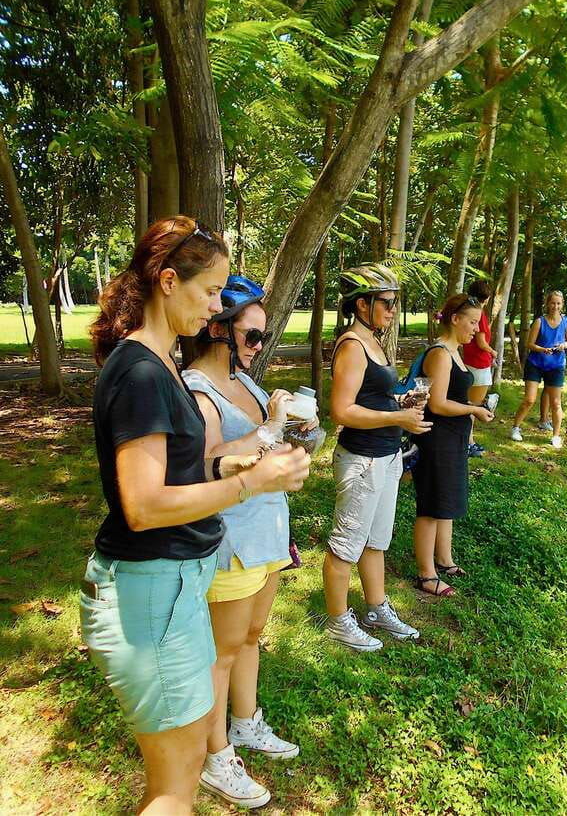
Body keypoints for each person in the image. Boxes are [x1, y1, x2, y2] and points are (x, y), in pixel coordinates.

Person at [82, 217, 310, 815]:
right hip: (149, 594)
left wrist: (231, 468)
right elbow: (143, 505)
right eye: (210, 292)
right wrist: (252, 484)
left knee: (174, 783)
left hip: (171, 584)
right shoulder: (140, 372)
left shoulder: (157, 366)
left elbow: (181, 473)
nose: (215, 308)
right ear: (165, 281)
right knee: (172, 791)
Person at [183, 276, 311, 808]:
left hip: (269, 531)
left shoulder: (247, 382)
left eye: (263, 338)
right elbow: (207, 460)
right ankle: (215, 757)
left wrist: (296, 431)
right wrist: (269, 429)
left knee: (252, 635)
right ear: (217, 330)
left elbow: (271, 442)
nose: (259, 347)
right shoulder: (197, 388)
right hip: (232, 535)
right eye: (252, 336)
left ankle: (244, 723)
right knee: (222, 652)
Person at [324, 266, 431, 651]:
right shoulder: (352, 345)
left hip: (387, 456)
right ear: (362, 304)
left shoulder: (375, 340)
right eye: (386, 303)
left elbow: (372, 395)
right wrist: (396, 417)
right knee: (345, 544)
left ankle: (376, 608)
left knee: (376, 541)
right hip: (362, 458)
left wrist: (400, 403)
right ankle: (337, 621)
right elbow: (341, 410)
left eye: (395, 303)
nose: (392, 310)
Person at [412, 294, 494, 597]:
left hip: (454, 438)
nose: (476, 328)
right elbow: (439, 403)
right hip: (437, 438)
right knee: (432, 505)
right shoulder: (441, 354)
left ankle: (444, 561)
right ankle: (426, 574)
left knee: (445, 503)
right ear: (454, 319)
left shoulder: (456, 352)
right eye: (472, 322)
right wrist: (473, 409)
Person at [510, 290, 567, 448]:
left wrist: (563, 345)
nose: (555, 306)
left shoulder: (566, 322)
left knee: (556, 403)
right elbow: (529, 344)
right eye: (553, 303)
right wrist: (542, 349)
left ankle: (556, 436)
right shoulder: (539, 321)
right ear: (548, 304)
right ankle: (515, 428)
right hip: (536, 363)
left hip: (556, 365)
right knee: (529, 399)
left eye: (558, 303)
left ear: (562, 304)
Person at [462, 279, 497, 458]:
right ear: (487, 297)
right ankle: (469, 443)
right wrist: (493, 352)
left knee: (469, 404)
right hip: (479, 363)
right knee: (473, 406)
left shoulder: (468, 311)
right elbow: (482, 342)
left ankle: (468, 441)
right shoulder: (480, 315)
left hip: (469, 361)